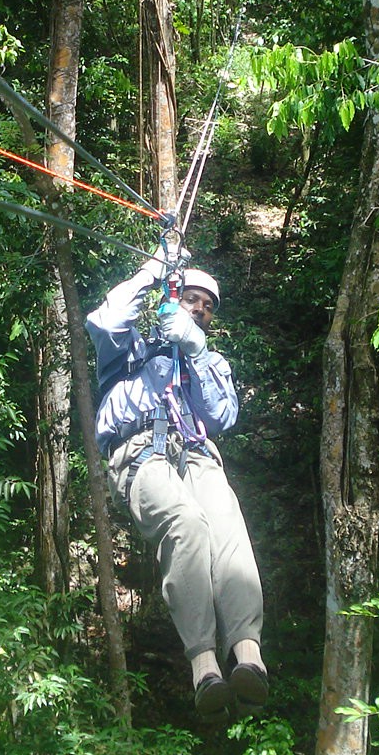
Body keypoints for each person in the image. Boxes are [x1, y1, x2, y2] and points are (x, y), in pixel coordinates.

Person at [86, 247, 267, 718]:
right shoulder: (130, 348)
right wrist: (153, 271)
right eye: (192, 299)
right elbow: (105, 320)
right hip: (141, 450)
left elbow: (223, 415)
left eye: (209, 306)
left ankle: (248, 655)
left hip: (197, 454)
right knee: (187, 524)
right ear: (174, 299)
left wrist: (196, 349)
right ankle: (204, 664)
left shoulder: (207, 360)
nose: (201, 309)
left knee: (228, 530)